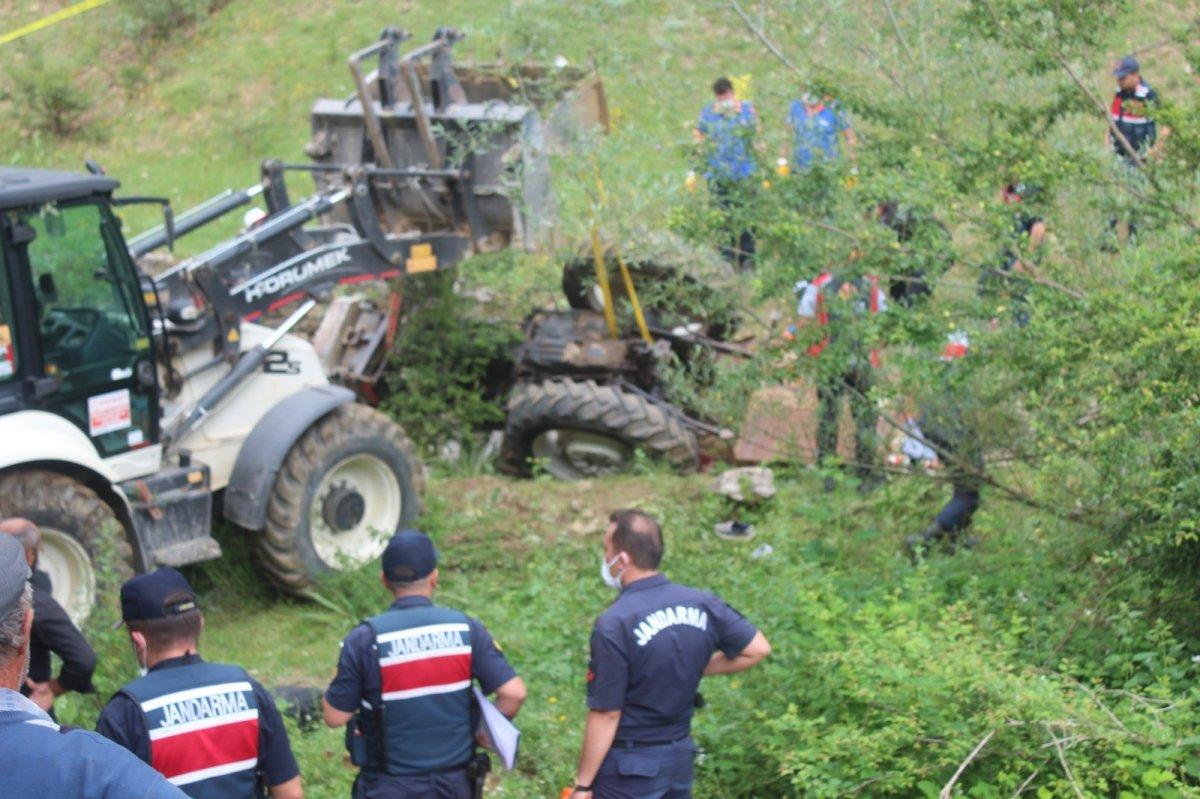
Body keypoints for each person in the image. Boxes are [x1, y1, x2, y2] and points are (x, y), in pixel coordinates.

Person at [567, 510, 771, 799]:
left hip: (630, 768)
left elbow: (607, 713)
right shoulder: (702, 603)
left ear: (622, 560)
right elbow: (758, 649)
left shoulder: (616, 622)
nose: (605, 558)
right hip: (679, 757)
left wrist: (583, 785)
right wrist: (697, 666)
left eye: (606, 550)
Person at [322, 529, 527, 799]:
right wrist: (482, 734)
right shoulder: (467, 630)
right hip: (455, 785)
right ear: (435, 577)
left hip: (389, 787)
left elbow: (334, 717)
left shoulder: (364, 639)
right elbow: (514, 693)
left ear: (384, 581)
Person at [0, 534, 187, 798]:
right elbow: (83, 657)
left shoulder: (123, 713)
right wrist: (54, 688)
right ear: (25, 625)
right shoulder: (94, 768)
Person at [96, 568, 303, 799]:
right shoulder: (249, 691)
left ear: (138, 640)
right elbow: (290, 793)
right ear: (200, 624)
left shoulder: (125, 712)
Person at [787, 271, 888, 491]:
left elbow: (804, 323)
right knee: (865, 419)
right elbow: (884, 322)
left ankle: (828, 476)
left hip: (830, 363)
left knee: (828, 418)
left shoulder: (819, 286)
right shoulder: (871, 285)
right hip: (863, 363)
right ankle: (866, 475)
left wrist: (812, 353)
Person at [0, 517, 96, 719]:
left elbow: (83, 660)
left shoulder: (35, 600)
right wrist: (54, 689)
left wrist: (54, 687)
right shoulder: (37, 602)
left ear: (29, 555)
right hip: (24, 716)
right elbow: (83, 659)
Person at [904, 333, 984, 558]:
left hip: (936, 427)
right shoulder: (963, 373)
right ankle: (926, 539)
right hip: (951, 430)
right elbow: (971, 409)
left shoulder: (942, 368)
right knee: (969, 491)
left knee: (965, 486)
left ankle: (957, 538)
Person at [695, 76, 759, 271]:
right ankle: (726, 258)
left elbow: (756, 134)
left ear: (732, 93)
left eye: (726, 96)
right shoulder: (709, 113)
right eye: (720, 97)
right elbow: (699, 135)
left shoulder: (747, 110)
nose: (724, 101)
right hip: (719, 174)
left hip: (745, 172)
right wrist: (700, 155)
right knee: (723, 217)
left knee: (747, 215)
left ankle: (747, 258)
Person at [1106, 55, 1170, 244]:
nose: (1119, 81)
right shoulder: (1119, 92)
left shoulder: (1148, 95)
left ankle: (1135, 240)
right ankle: (1109, 239)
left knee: (1136, 197)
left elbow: (1167, 124)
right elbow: (1113, 119)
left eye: (1123, 77)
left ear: (1135, 75)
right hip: (1119, 155)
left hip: (1140, 156)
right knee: (1115, 197)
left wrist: (1156, 150)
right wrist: (1108, 141)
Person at [978, 181, 1045, 327]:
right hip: (1008, 252)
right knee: (986, 281)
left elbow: (1039, 227)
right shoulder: (1009, 186)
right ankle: (991, 325)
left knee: (1020, 297)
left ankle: (1022, 335)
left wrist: (1025, 259)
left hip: (1024, 254)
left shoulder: (1028, 187)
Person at [783, 90, 857, 172]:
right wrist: (782, 162)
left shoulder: (835, 107)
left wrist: (853, 168)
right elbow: (786, 136)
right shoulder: (796, 107)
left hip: (828, 170)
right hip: (799, 170)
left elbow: (850, 138)